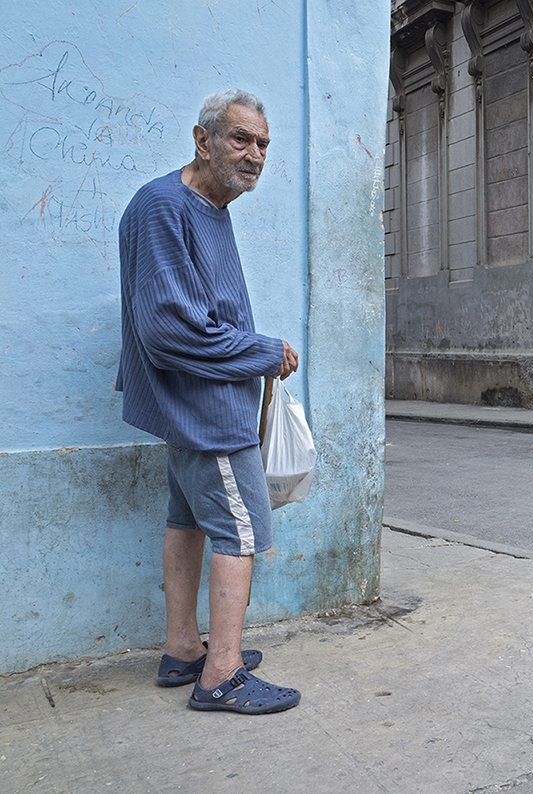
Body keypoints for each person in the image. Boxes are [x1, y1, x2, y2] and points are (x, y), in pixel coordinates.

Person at [117, 89, 302, 714]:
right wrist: (262, 351)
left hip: (198, 406)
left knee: (187, 518)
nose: (255, 155)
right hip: (207, 412)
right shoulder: (164, 207)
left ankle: (185, 648)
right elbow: (168, 330)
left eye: (263, 144)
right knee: (241, 529)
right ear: (203, 140)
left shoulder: (208, 208)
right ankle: (220, 675)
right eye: (241, 139)